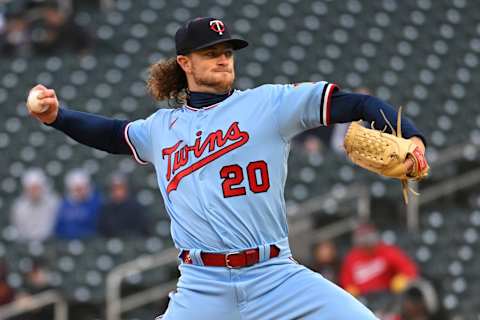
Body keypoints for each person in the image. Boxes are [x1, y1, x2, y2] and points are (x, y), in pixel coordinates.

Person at [26, 17, 428, 319]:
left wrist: (411, 136)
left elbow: (356, 104)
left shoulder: (270, 104)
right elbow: (113, 135)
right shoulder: (161, 128)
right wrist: (58, 116)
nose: (223, 59)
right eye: (211, 53)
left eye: (227, 52)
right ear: (185, 62)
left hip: (275, 275)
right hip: (203, 286)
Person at [339, 224, 418, 298]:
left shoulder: (386, 250)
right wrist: (350, 289)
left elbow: (408, 268)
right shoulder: (352, 257)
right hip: (363, 300)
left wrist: (402, 279)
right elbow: (346, 281)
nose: (366, 240)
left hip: (388, 295)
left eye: (368, 236)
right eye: (362, 237)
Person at [10, 168, 59, 242]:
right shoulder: (19, 207)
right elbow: (19, 227)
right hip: (26, 243)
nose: (34, 191)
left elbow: (55, 225)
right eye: (31, 189)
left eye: (37, 188)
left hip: (49, 241)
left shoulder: (53, 202)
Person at [98, 173, 151, 238]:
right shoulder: (106, 208)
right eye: (115, 189)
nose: (118, 192)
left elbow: (143, 228)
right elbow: (103, 229)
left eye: (120, 188)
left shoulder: (135, 207)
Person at [54, 169, 102, 239]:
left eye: (82, 188)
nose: (81, 191)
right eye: (77, 189)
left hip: (88, 240)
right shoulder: (64, 204)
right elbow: (59, 226)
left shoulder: (95, 203)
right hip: (66, 241)